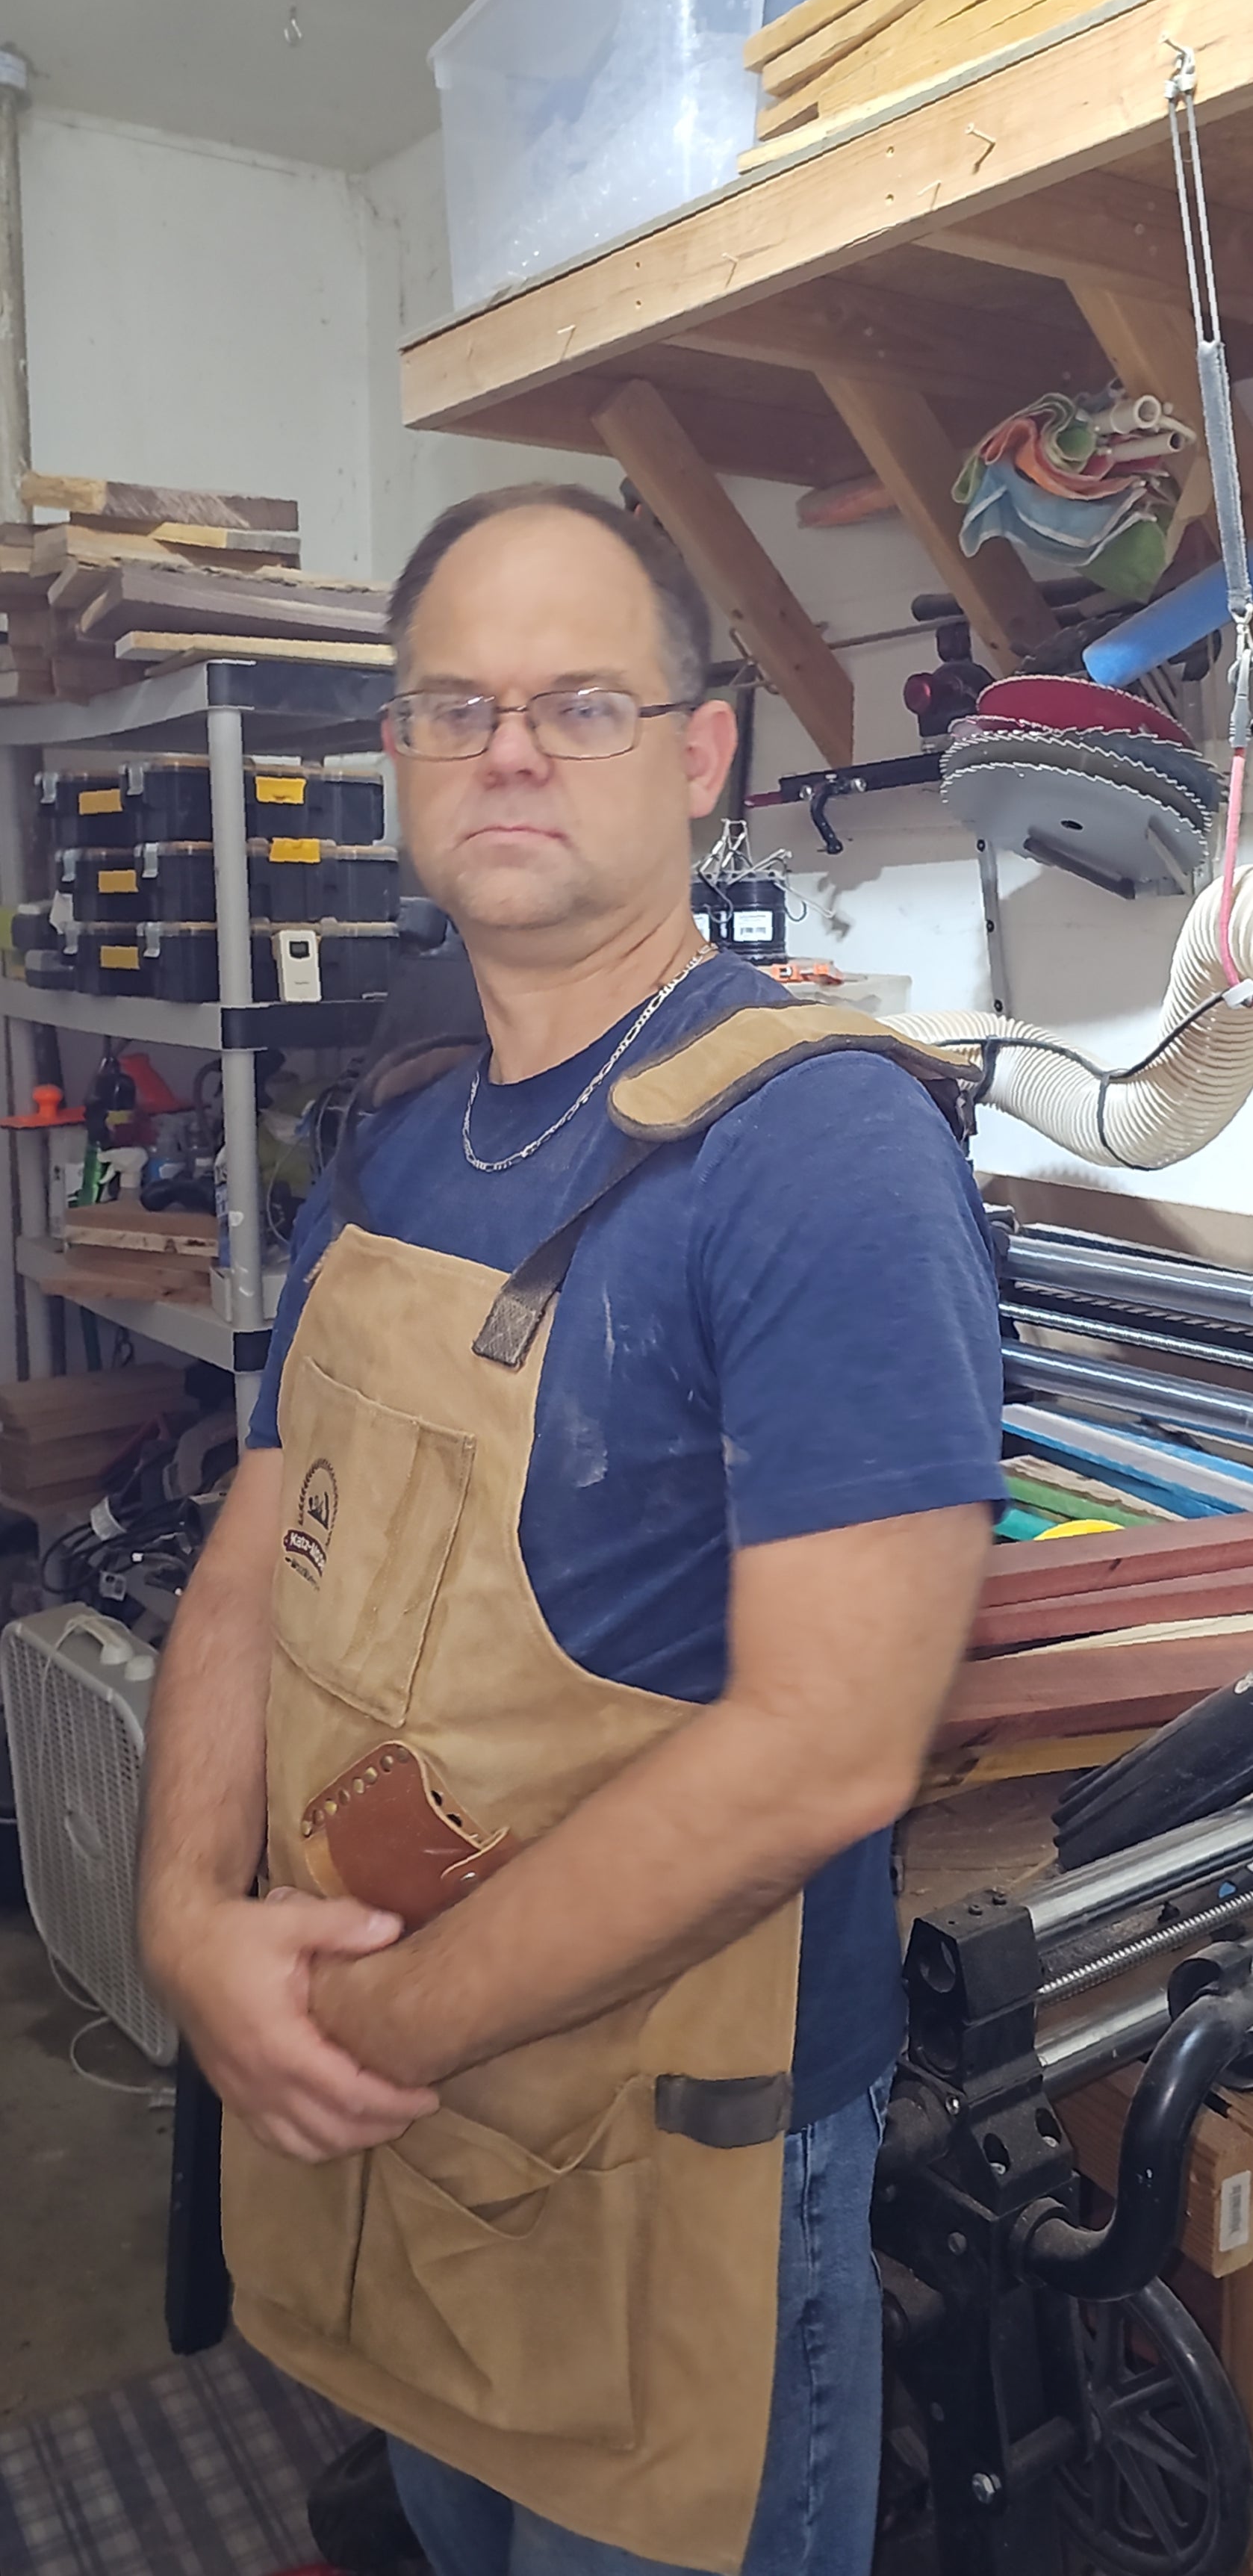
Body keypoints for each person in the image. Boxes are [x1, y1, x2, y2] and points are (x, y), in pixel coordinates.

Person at [139, 481, 1003, 2576]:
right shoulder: (405, 1123)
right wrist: (182, 1925)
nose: (509, 749)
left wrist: (366, 2031)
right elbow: (257, 1540)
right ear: (398, 760)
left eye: (581, 703)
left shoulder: (819, 1151)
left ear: (701, 754)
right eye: (457, 706)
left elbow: (825, 1749)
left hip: (658, 2149)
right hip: (396, 2124)